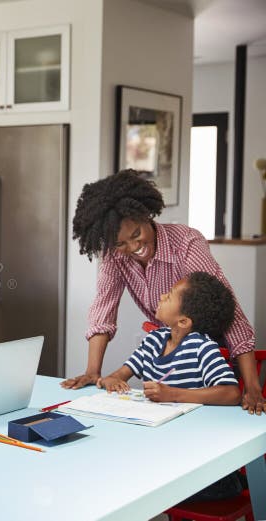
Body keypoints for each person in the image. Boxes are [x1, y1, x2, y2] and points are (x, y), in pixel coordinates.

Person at [61, 170, 263, 415]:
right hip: (170, 341)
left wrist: (253, 387)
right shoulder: (114, 258)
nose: (134, 247)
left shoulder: (186, 244)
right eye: (121, 243)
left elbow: (233, 315)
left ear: (146, 215)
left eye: (136, 234)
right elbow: (103, 310)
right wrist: (94, 371)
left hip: (212, 351)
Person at [98, 272, 244, 501]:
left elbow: (231, 392)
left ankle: (227, 482)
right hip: (161, 445)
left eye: (170, 295)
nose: (162, 295)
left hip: (192, 450)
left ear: (184, 321)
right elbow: (118, 375)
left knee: (133, 480)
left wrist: (173, 394)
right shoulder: (154, 340)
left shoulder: (201, 347)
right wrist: (112, 380)